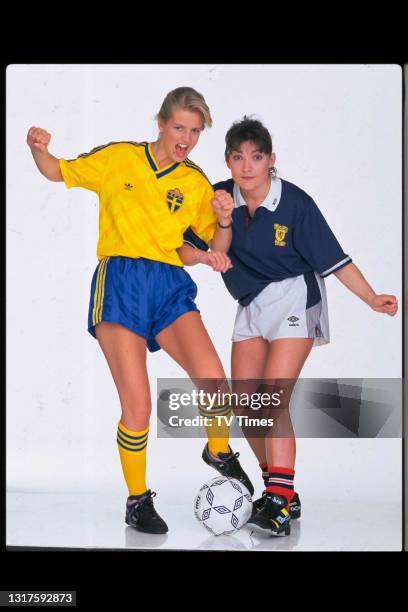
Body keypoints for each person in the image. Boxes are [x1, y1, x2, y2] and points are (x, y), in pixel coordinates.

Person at [26, 88, 254, 536]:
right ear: (161, 123)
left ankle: (219, 451)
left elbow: (213, 246)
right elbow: (57, 172)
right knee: (139, 405)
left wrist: (224, 220)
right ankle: (137, 499)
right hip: (122, 284)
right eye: (179, 128)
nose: (186, 138)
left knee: (213, 379)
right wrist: (39, 149)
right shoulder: (120, 159)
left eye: (194, 131)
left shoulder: (195, 183)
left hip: (169, 285)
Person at [179, 116, 398, 537]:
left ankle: (278, 501)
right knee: (247, 409)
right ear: (227, 161)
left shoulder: (295, 203)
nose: (247, 167)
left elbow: (336, 260)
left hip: (294, 297)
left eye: (256, 157)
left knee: (274, 399)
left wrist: (370, 298)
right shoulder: (219, 198)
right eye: (238, 157)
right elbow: (188, 245)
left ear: (271, 161)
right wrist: (204, 254)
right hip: (251, 304)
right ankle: (280, 490)